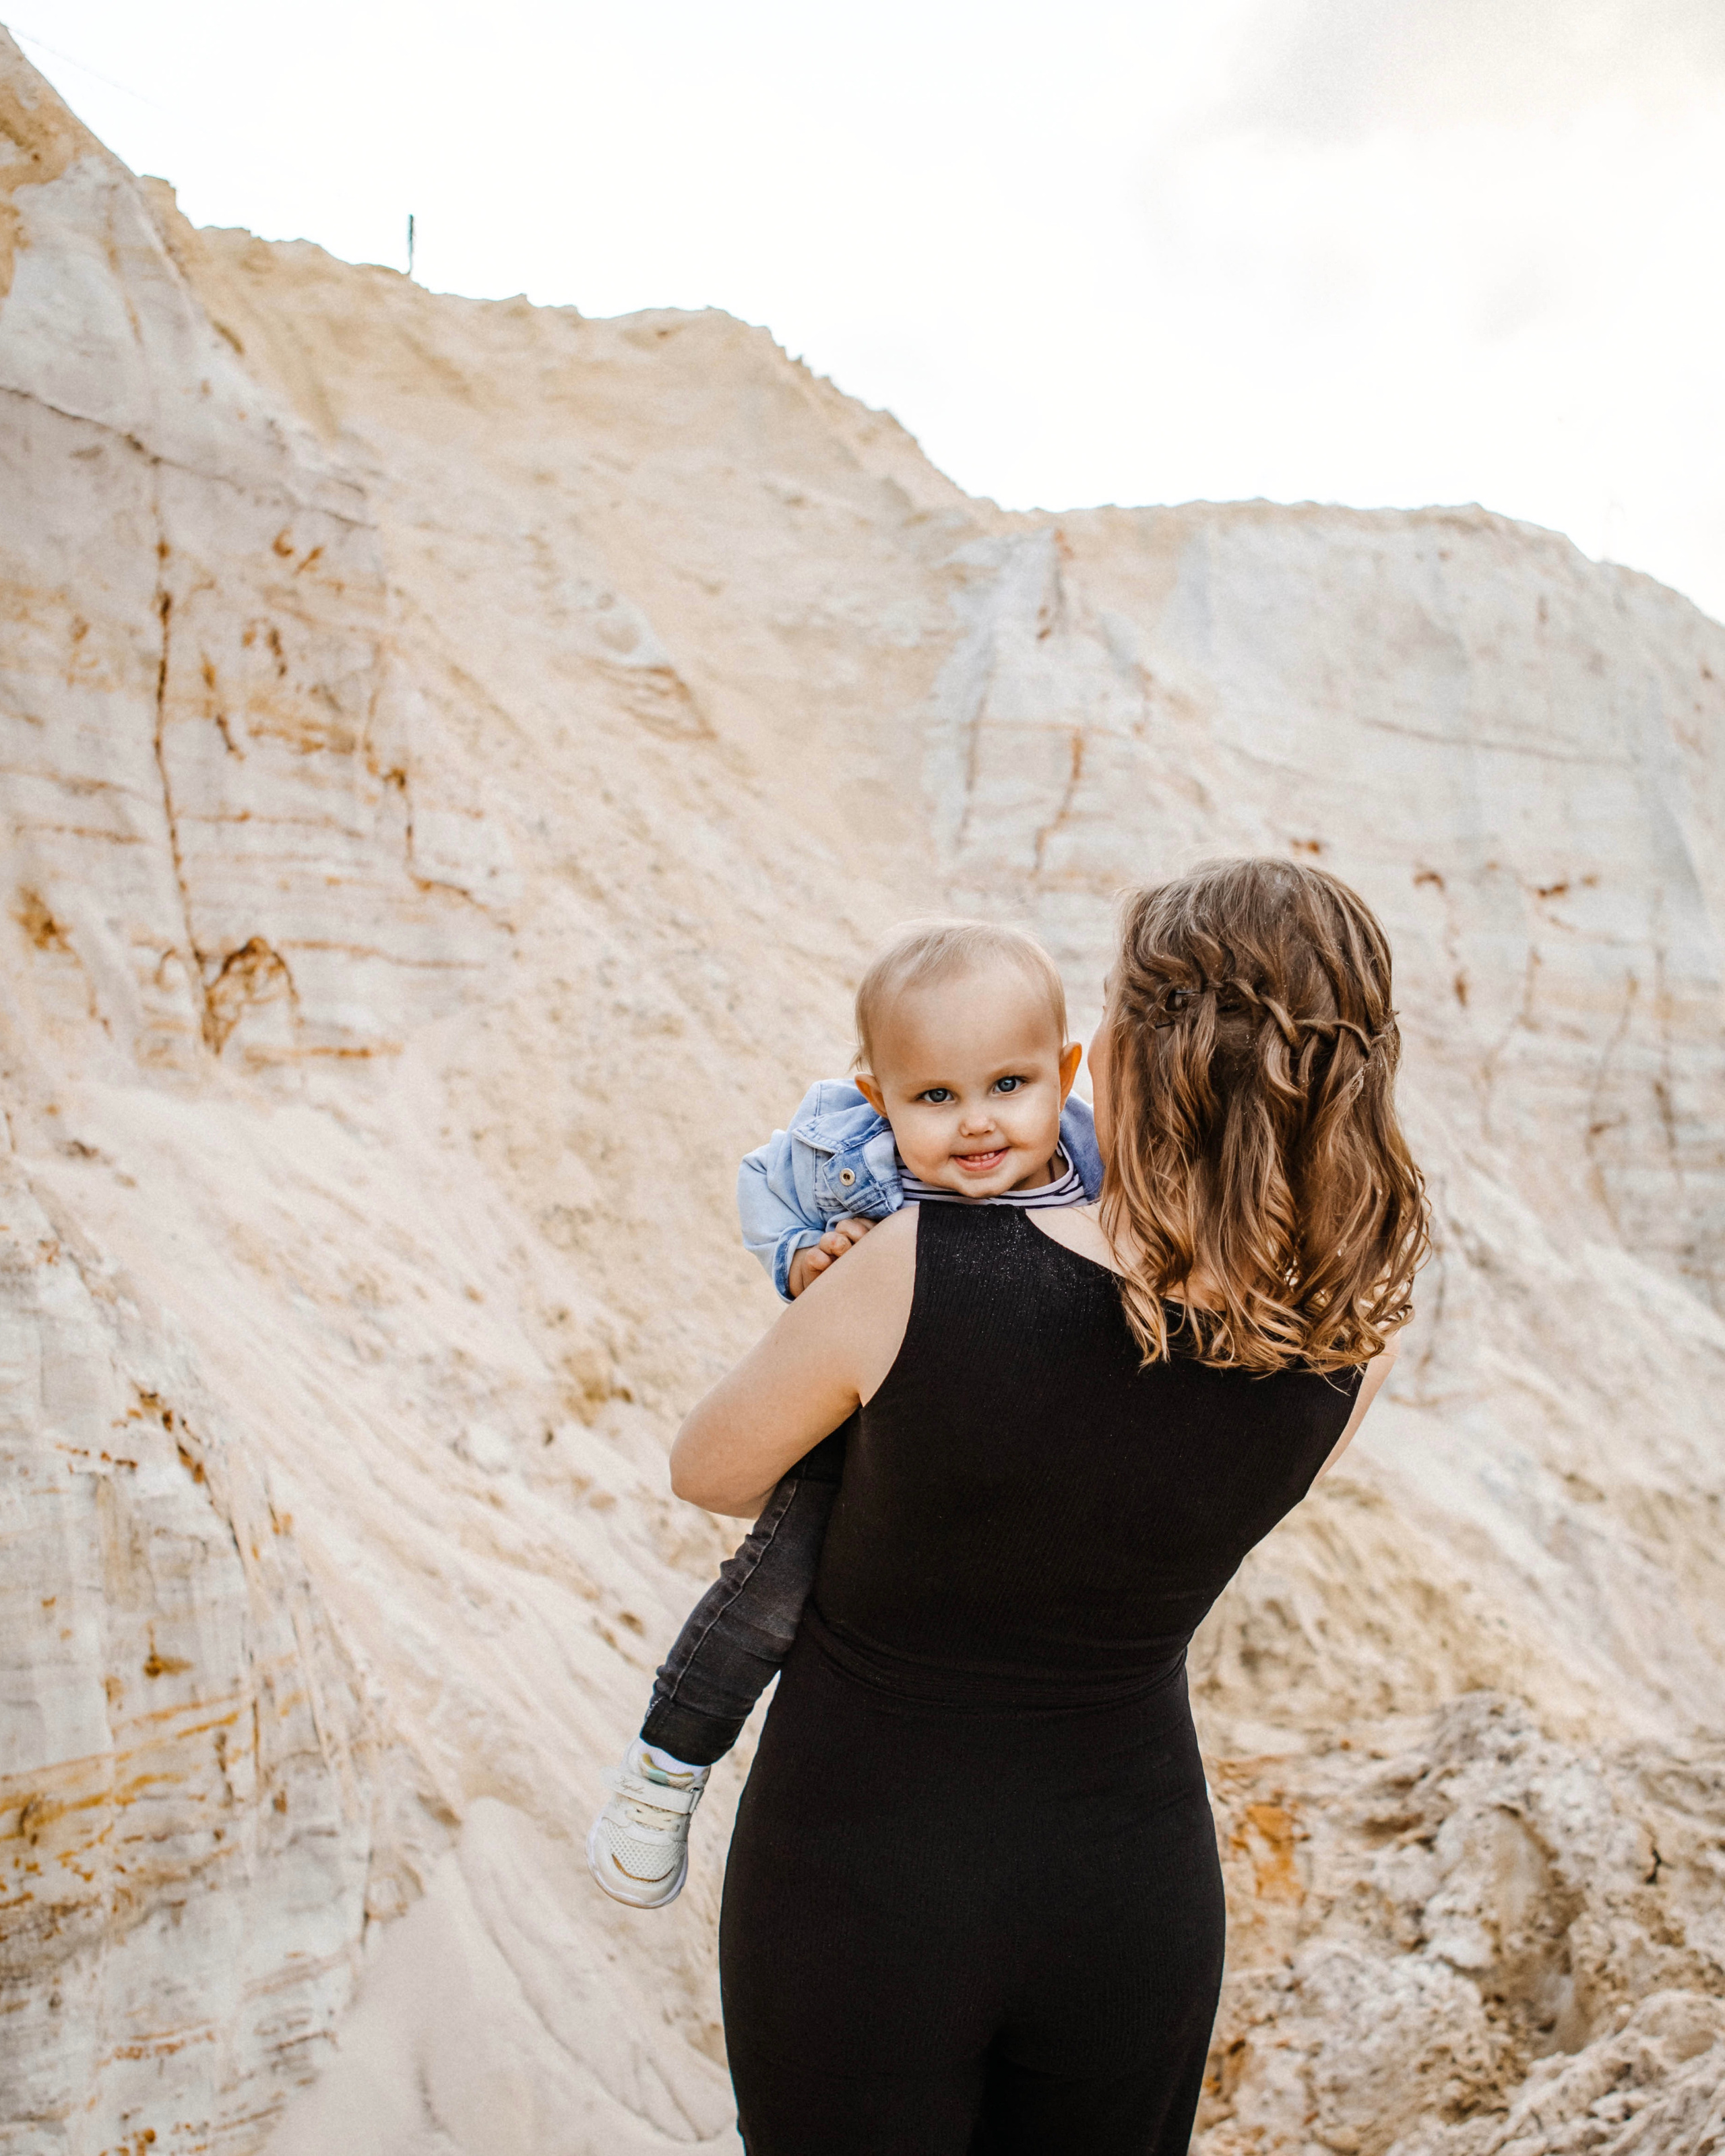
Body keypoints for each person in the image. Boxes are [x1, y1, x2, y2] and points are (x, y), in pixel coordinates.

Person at [670, 857, 1430, 2155]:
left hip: (864, 1878)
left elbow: (711, 1470)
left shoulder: (925, 1265)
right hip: (1134, 1895)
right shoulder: (1346, 1348)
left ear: (1128, 1053)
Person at [588, 919, 1102, 1908]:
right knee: (775, 1584)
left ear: (1063, 1070)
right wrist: (805, 1262)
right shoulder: (851, 1157)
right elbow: (765, 1190)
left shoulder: (1094, 1157)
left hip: (1006, 1424)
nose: (979, 1125)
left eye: (1009, 1086)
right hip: (869, 1418)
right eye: (936, 1099)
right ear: (881, 1100)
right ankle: (666, 1768)